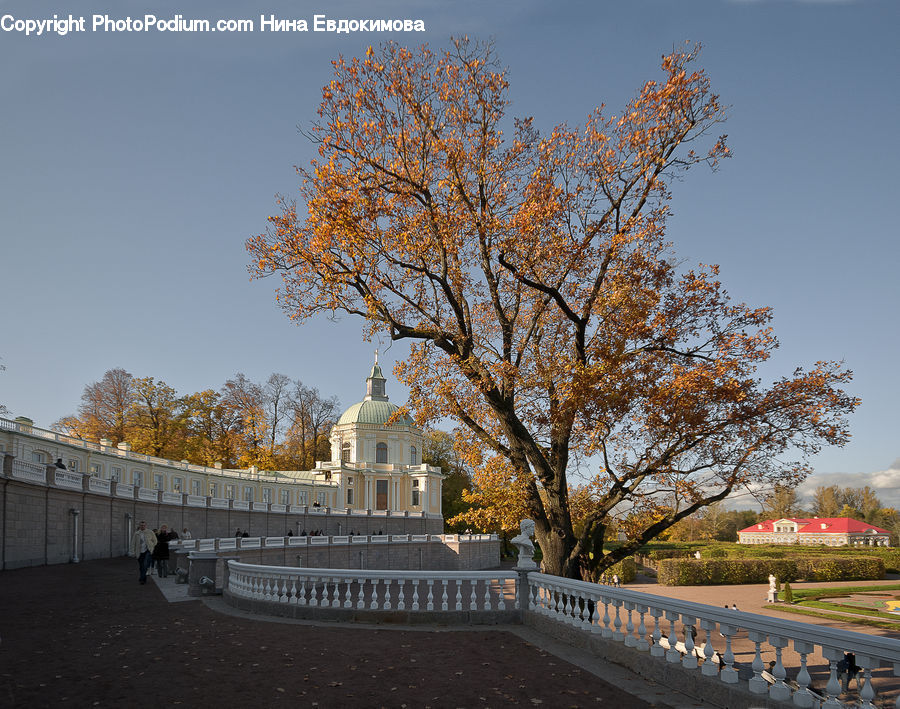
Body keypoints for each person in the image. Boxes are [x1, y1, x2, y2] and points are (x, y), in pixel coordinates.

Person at [130, 520, 157, 585]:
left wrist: (152, 546)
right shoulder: (136, 533)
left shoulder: (150, 532)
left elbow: (155, 540)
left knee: (145, 565)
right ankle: (143, 578)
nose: (143, 526)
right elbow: (133, 543)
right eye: (141, 525)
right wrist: (132, 552)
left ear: (146, 525)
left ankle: (141, 579)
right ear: (139, 526)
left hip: (148, 551)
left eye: (144, 525)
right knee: (141, 566)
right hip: (139, 552)